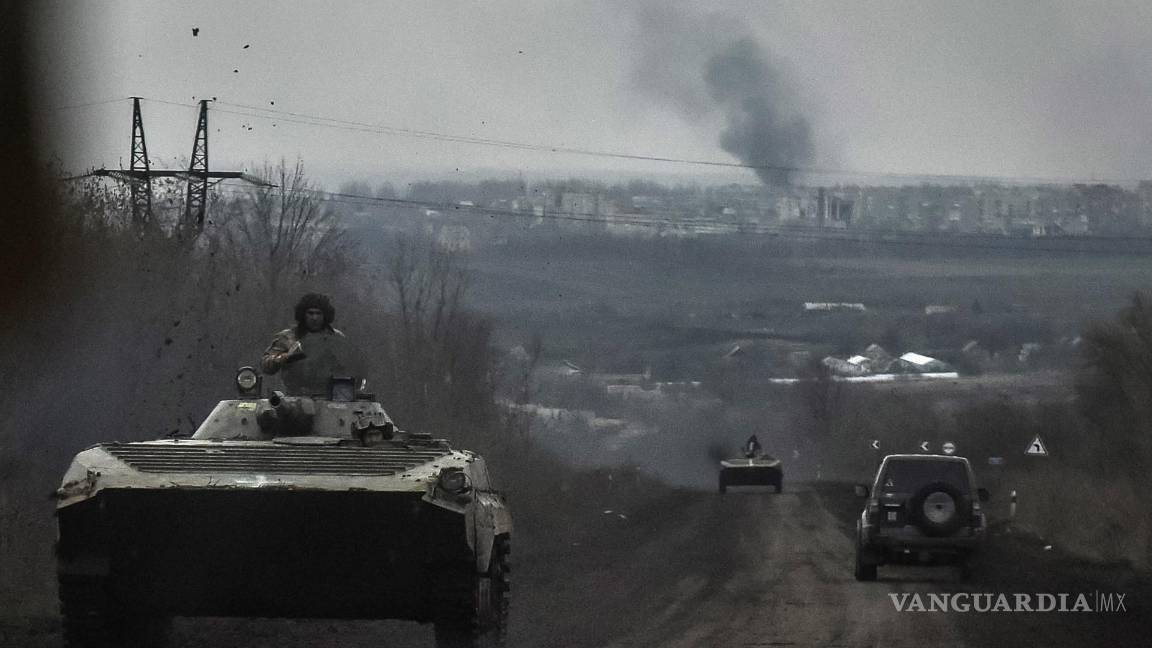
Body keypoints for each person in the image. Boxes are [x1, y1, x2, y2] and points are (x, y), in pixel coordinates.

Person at [261, 293, 355, 395]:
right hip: (296, 396)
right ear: (303, 314)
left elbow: (350, 365)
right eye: (310, 313)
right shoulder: (288, 337)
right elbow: (266, 365)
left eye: (318, 313)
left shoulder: (336, 338)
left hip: (329, 396)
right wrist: (286, 357)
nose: (314, 318)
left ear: (325, 315)